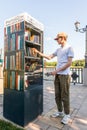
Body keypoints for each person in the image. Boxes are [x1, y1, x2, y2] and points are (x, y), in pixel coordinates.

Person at [34, 32, 74, 124]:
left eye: (57, 39)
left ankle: (67, 115)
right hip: (58, 75)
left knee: (65, 95)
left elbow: (69, 63)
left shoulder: (69, 48)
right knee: (57, 95)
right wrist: (38, 52)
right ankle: (60, 112)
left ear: (62, 38)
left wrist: (56, 71)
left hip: (65, 75)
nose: (56, 41)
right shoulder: (58, 49)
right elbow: (49, 57)